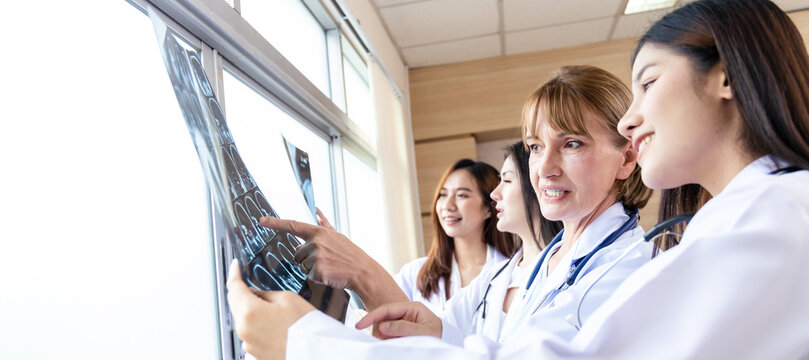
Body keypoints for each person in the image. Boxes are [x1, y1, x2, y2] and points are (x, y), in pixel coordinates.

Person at [225, 63, 659, 359]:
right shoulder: (553, 258)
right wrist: (434, 331)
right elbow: (483, 346)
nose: (543, 169)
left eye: (572, 144)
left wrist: (305, 342)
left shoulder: (627, 273)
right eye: (534, 147)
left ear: (626, 158)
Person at [438, 142, 562, 342]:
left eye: (507, 180)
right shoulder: (495, 276)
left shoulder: (565, 269)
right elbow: (438, 324)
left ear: (540, 186)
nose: (494, 194)